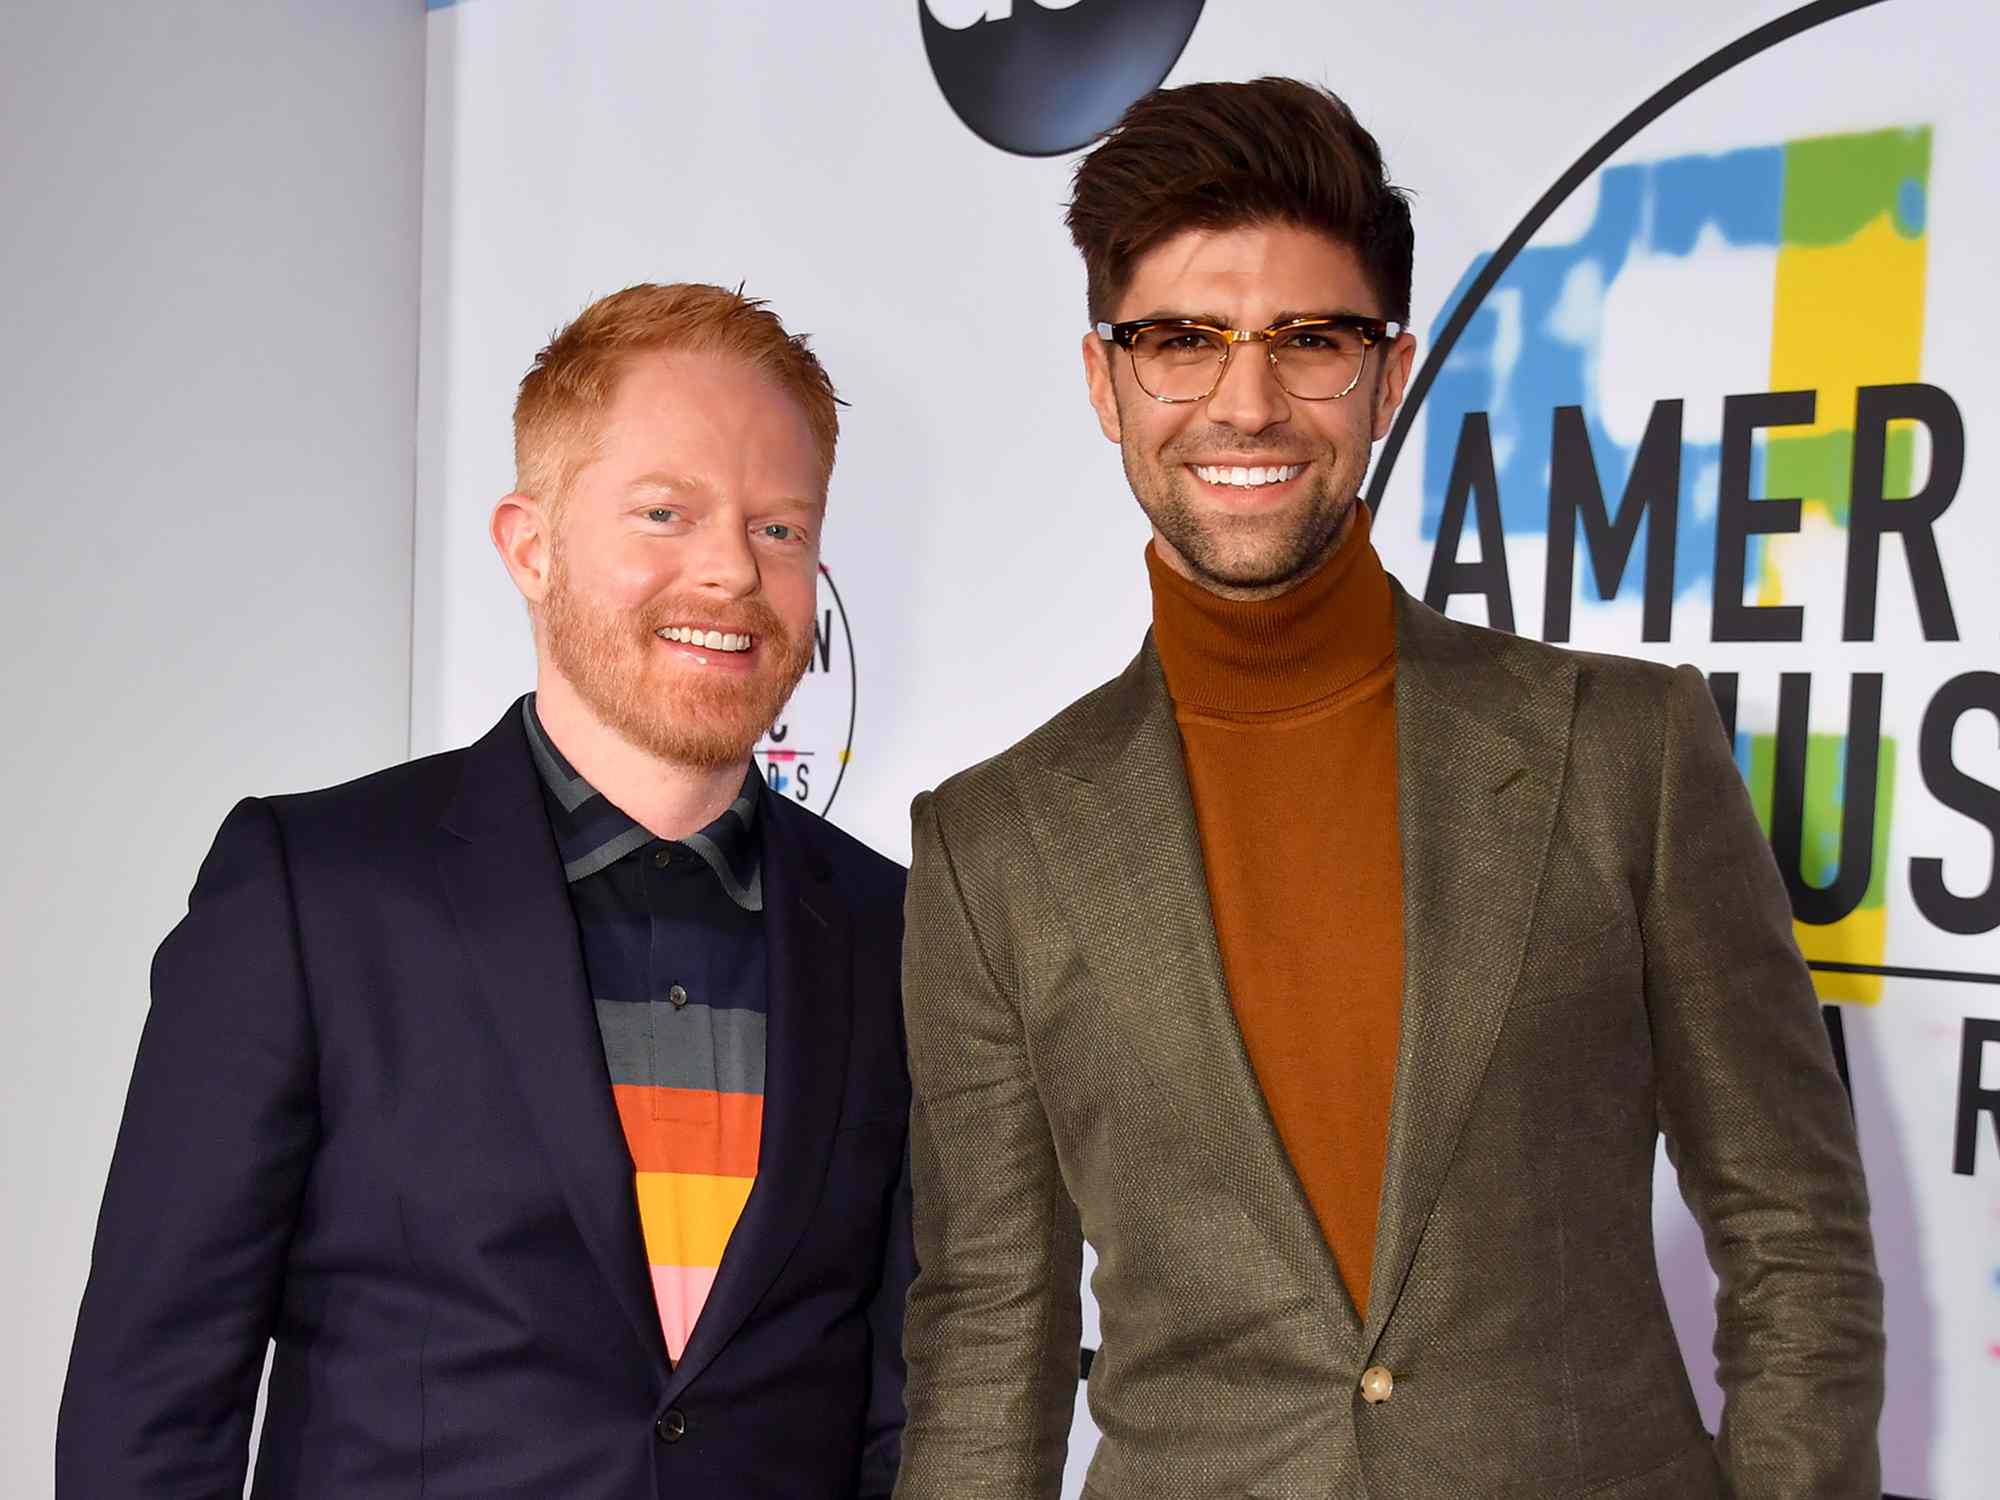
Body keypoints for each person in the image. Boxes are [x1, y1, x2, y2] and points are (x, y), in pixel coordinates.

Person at [894, 79, 1882, 1500]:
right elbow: (994, 1332)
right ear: (1105, 381)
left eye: (1311, 340)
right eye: (1181, 340)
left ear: (1391, 370)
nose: (1247, 400)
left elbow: (1794, 1235)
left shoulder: (1626, 751)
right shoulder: (993, 845)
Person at [58, 283, 913, 1500]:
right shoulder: (313, 894)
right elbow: (149, 1402)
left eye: (779, 528)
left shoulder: (899, 936)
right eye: (665, 512)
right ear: (529, 543)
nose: (729, 569)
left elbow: (909, 1410)